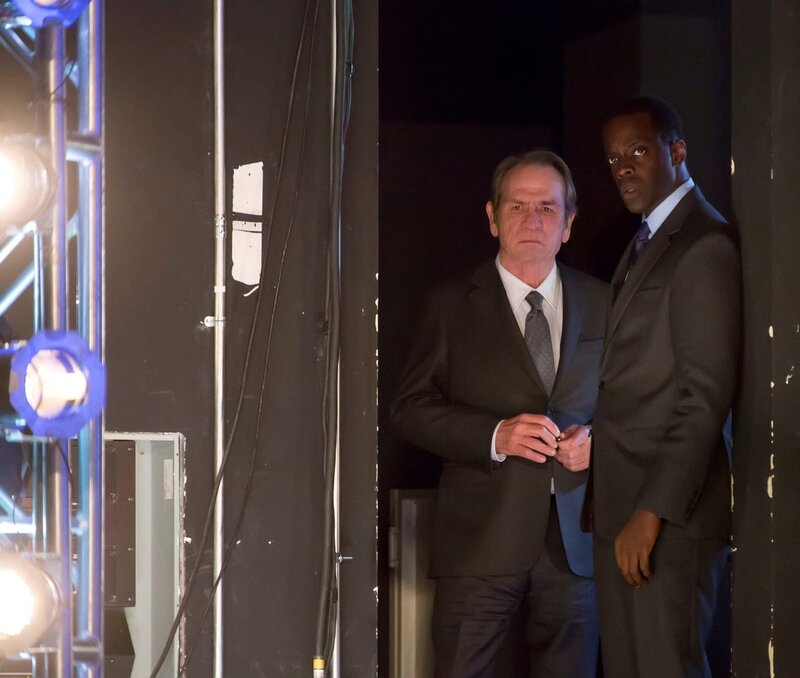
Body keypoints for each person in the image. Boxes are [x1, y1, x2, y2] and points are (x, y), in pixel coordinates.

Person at [391, 149, 606, 677]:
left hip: (577, 542)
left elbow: (635, 403)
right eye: (517, 206)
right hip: (478, 542)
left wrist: (600, 441)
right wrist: (494, 435)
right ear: (492, 217)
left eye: (547, 208)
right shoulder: (449, 305)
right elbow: (409, 408)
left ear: (569, 224)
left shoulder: (606, 302)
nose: (533, 220)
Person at [590, 96, 741, 677]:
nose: (623, 168)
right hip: (620, 512)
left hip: (668, 520)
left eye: (638, 151)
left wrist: (650, 511)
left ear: (676, 151)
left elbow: (704, 396)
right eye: (613, 159)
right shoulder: (647, 240)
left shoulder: (704, 243)